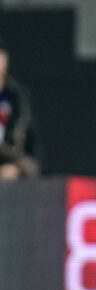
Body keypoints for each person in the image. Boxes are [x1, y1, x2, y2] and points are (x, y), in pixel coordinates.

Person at [0, 38, 39, 183]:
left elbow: (23, 129)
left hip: (9, 153)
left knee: (29, 166)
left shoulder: (16, 94)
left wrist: (16, 167)